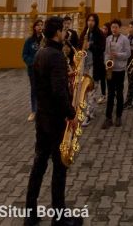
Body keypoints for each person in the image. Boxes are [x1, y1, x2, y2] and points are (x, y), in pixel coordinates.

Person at [24, 16, 82, 226]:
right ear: (57, 32)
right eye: (63, 30)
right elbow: (58, 91)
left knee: (39, 163)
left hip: (42, 117)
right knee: (60, 166)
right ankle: (59, 217)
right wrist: (71, 113)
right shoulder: (56, 56)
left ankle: (30, 213)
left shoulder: (40, 53)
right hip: (57, 120)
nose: (66, 33)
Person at [102, 20, 129, 129]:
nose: (114, 29)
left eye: (116, 27)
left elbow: (128, 54)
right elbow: (105, 53)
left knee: (119, 93)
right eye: (112, 27)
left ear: (120, 28)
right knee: (110, 94)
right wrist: (106, 63)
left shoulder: (124, 39)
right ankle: (108, 117)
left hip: (120, 70)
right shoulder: (108, 39)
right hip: (110, 69)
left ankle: (118, 116)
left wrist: (117, 55)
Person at [22, 19, 45, 122]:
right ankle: (34, 110)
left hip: (44, 69)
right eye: (38, 25)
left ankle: (43, 110)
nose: (40, 27)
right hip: (33, 69)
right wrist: (32, 62)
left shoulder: (46, 40)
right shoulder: (29, 40)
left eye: (41, 25)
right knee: (34, 89)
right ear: (34, 27)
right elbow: (24, 55)